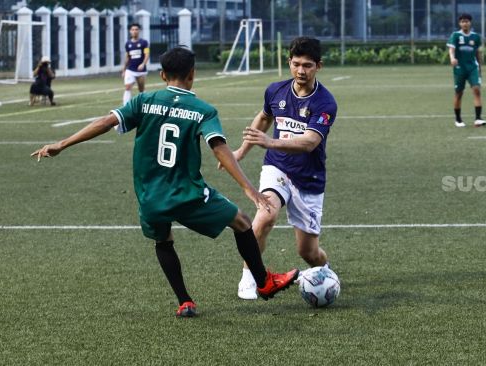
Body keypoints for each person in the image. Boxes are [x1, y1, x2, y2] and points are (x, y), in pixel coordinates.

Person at [31, 47, 298, 318]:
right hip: (187, 193)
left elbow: (105, 122)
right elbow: (218, 148)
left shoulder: (143, 101)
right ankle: (264, 282)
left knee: (163, 239)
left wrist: (61, 144)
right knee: (241, 222)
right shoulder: (203, 110)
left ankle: (184, 301)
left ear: (161, 75)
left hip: (150, 197)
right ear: (192, 74)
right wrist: (248, 188)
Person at [225, 37, 338, 300]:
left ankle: (325, 272)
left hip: (308, 180)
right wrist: (241, 151)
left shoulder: (325, 102)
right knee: (265, 215)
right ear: (289, 63)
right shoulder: (275, 90)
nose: (301, 71)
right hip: (277, 168)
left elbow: (310, 142)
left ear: (318, 66)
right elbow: (264, 117)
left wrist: (270, 141)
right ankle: (250, 277)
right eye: (296, 64)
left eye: (307, 65)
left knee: (308, 253)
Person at [447, 13, 486, 127]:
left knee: (476, 90)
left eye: (467, 21)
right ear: (460, 23)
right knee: (459, 93)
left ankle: (478, 118)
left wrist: (480, 67)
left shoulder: (476, 37)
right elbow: (451, 49)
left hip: (472, 68)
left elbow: (478, 53)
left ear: (470, 23)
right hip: (459, 68)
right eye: (463, 21)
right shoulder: (455, 35)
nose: (465, 23)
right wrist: (452, 58)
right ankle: (458, 119)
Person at [122, 23, 149, 105]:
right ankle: (125, 106)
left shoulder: (144, 42)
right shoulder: (128, 44)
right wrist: (124, 69)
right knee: (127, 87)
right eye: (133, 30)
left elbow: (147, 54)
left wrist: (143, 64)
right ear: (130, 31)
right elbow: (127, 56)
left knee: (141, 89)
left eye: (136, 29)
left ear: (139, 31)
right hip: (130, 69)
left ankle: (144, 105)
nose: (134, 31)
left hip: (141, 70)